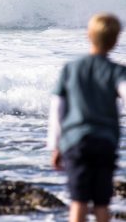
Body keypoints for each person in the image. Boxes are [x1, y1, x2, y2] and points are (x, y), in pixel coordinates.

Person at [47, 13, 126, 222]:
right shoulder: (117, 71)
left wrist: (55, 146)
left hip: (75, 142)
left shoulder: (71, 68)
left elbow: (58, 108)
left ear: (88, 35)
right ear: (116, 39)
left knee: (79, 201)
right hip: (105, 142)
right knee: (102, 204)